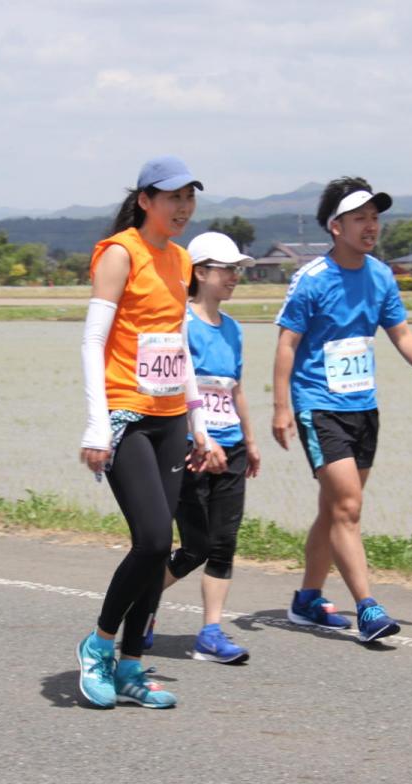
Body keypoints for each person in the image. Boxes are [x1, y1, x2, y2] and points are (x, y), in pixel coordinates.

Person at [271, 176, 412, 643]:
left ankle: (307, 600)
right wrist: (281, 408)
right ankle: (368, 608)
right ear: (336, 226)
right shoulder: (312, 279)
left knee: (333, 509)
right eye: (360, 218)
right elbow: (286, 344)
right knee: (349, 507)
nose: (371, 226)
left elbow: (401, 334)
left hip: (363, 406)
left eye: (375, 218)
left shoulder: (379, 275)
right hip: (319, 406)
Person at [76, 156, 225, 709]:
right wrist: (98, 426)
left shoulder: (182, 259)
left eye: (190, 198)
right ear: (145, 201)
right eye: (172, 198)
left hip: (169, 423)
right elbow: (93, 342)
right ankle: (98, 646)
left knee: (162, 544)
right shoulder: (121, 253)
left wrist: (200, 426)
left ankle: (132, 667)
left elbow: (176, 348)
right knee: (155, 541)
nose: (183, 208)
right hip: (125, 418)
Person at [143, 232, 260, 664]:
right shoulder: (180, 325)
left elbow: (236, 390)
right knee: (195, 545)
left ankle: (211, 633)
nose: (234, 277)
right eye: (227, 269)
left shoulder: (233, 330)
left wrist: (250, 440)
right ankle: (143, 602)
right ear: (200, 273)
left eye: (237, 270)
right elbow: (175, 392)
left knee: (223, 544)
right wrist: (199, 440)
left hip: (231, 450)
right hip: (190, 449)